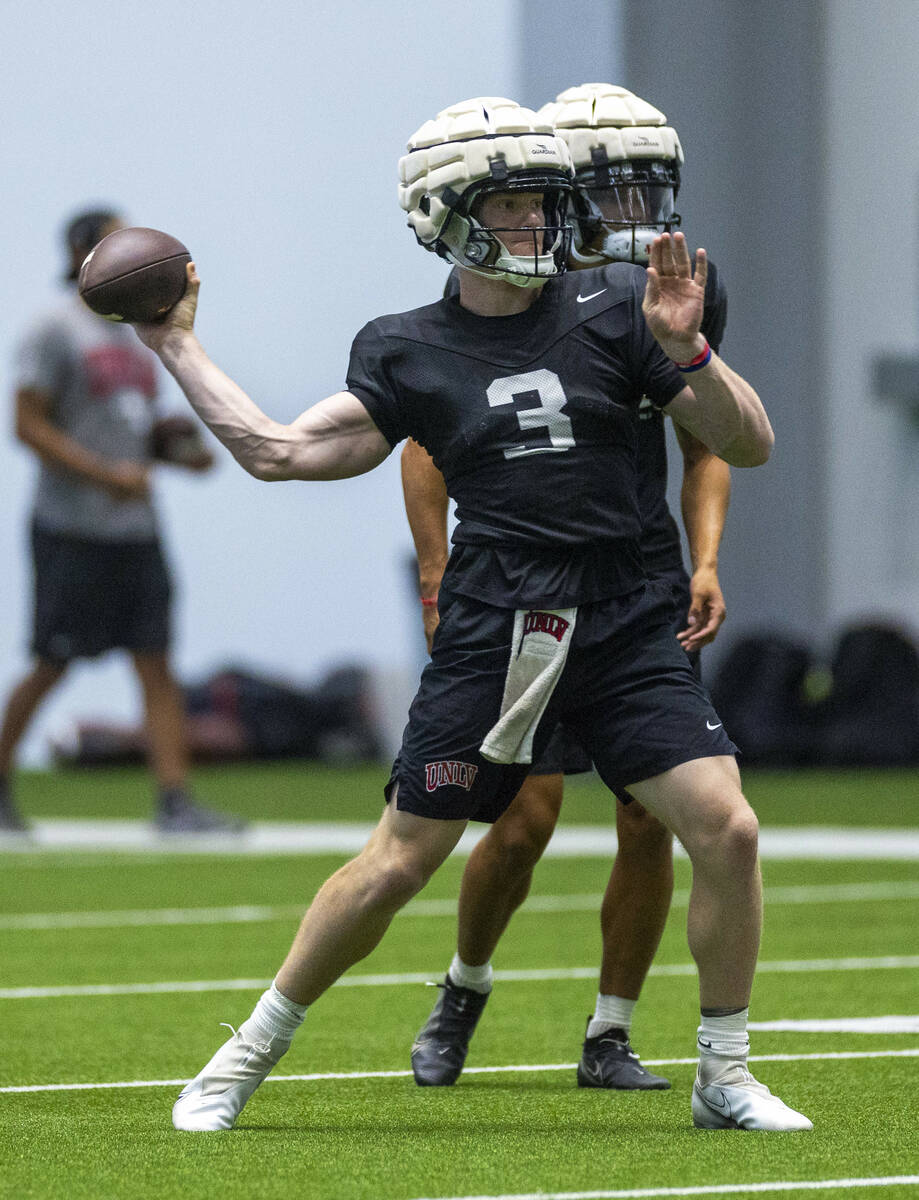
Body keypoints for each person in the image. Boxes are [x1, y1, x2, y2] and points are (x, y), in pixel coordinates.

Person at [134, 96, 810, 1132]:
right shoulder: (407, 347)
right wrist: (175, 344)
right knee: (402, 857)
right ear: (447, 216)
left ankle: (723, 1073)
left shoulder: (619, 311)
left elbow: (749, 443)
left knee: (725, 829)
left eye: (548, 201)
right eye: (517, 206)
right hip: (505, 624)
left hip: (629, 613)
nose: (544, 224)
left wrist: (690, 354)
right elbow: (277, 451)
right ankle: (241, 1056)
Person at [402, 83, 731, 1091]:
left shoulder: (671, 287)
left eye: (643, 190)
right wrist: (433, 567)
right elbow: (425, 441)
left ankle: (609, 1031)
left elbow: (708, 437)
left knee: (652, 816)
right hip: (527, 582)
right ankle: (463, 988)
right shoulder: (508, 290)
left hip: (635, 579)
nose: (629, 213)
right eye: (609, 190)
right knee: (525, 814)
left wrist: (705, 556)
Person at [0, 207, 246, 836]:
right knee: (52, 661)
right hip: (71, 527)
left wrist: (173, 450)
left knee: (156, 660)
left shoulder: (136, 332)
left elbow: (132, 425)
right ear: (86, 252)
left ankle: (175, 801)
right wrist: (105, 473)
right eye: (116, 238)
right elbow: (27, 426)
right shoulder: (53, 329)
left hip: (137, 530)